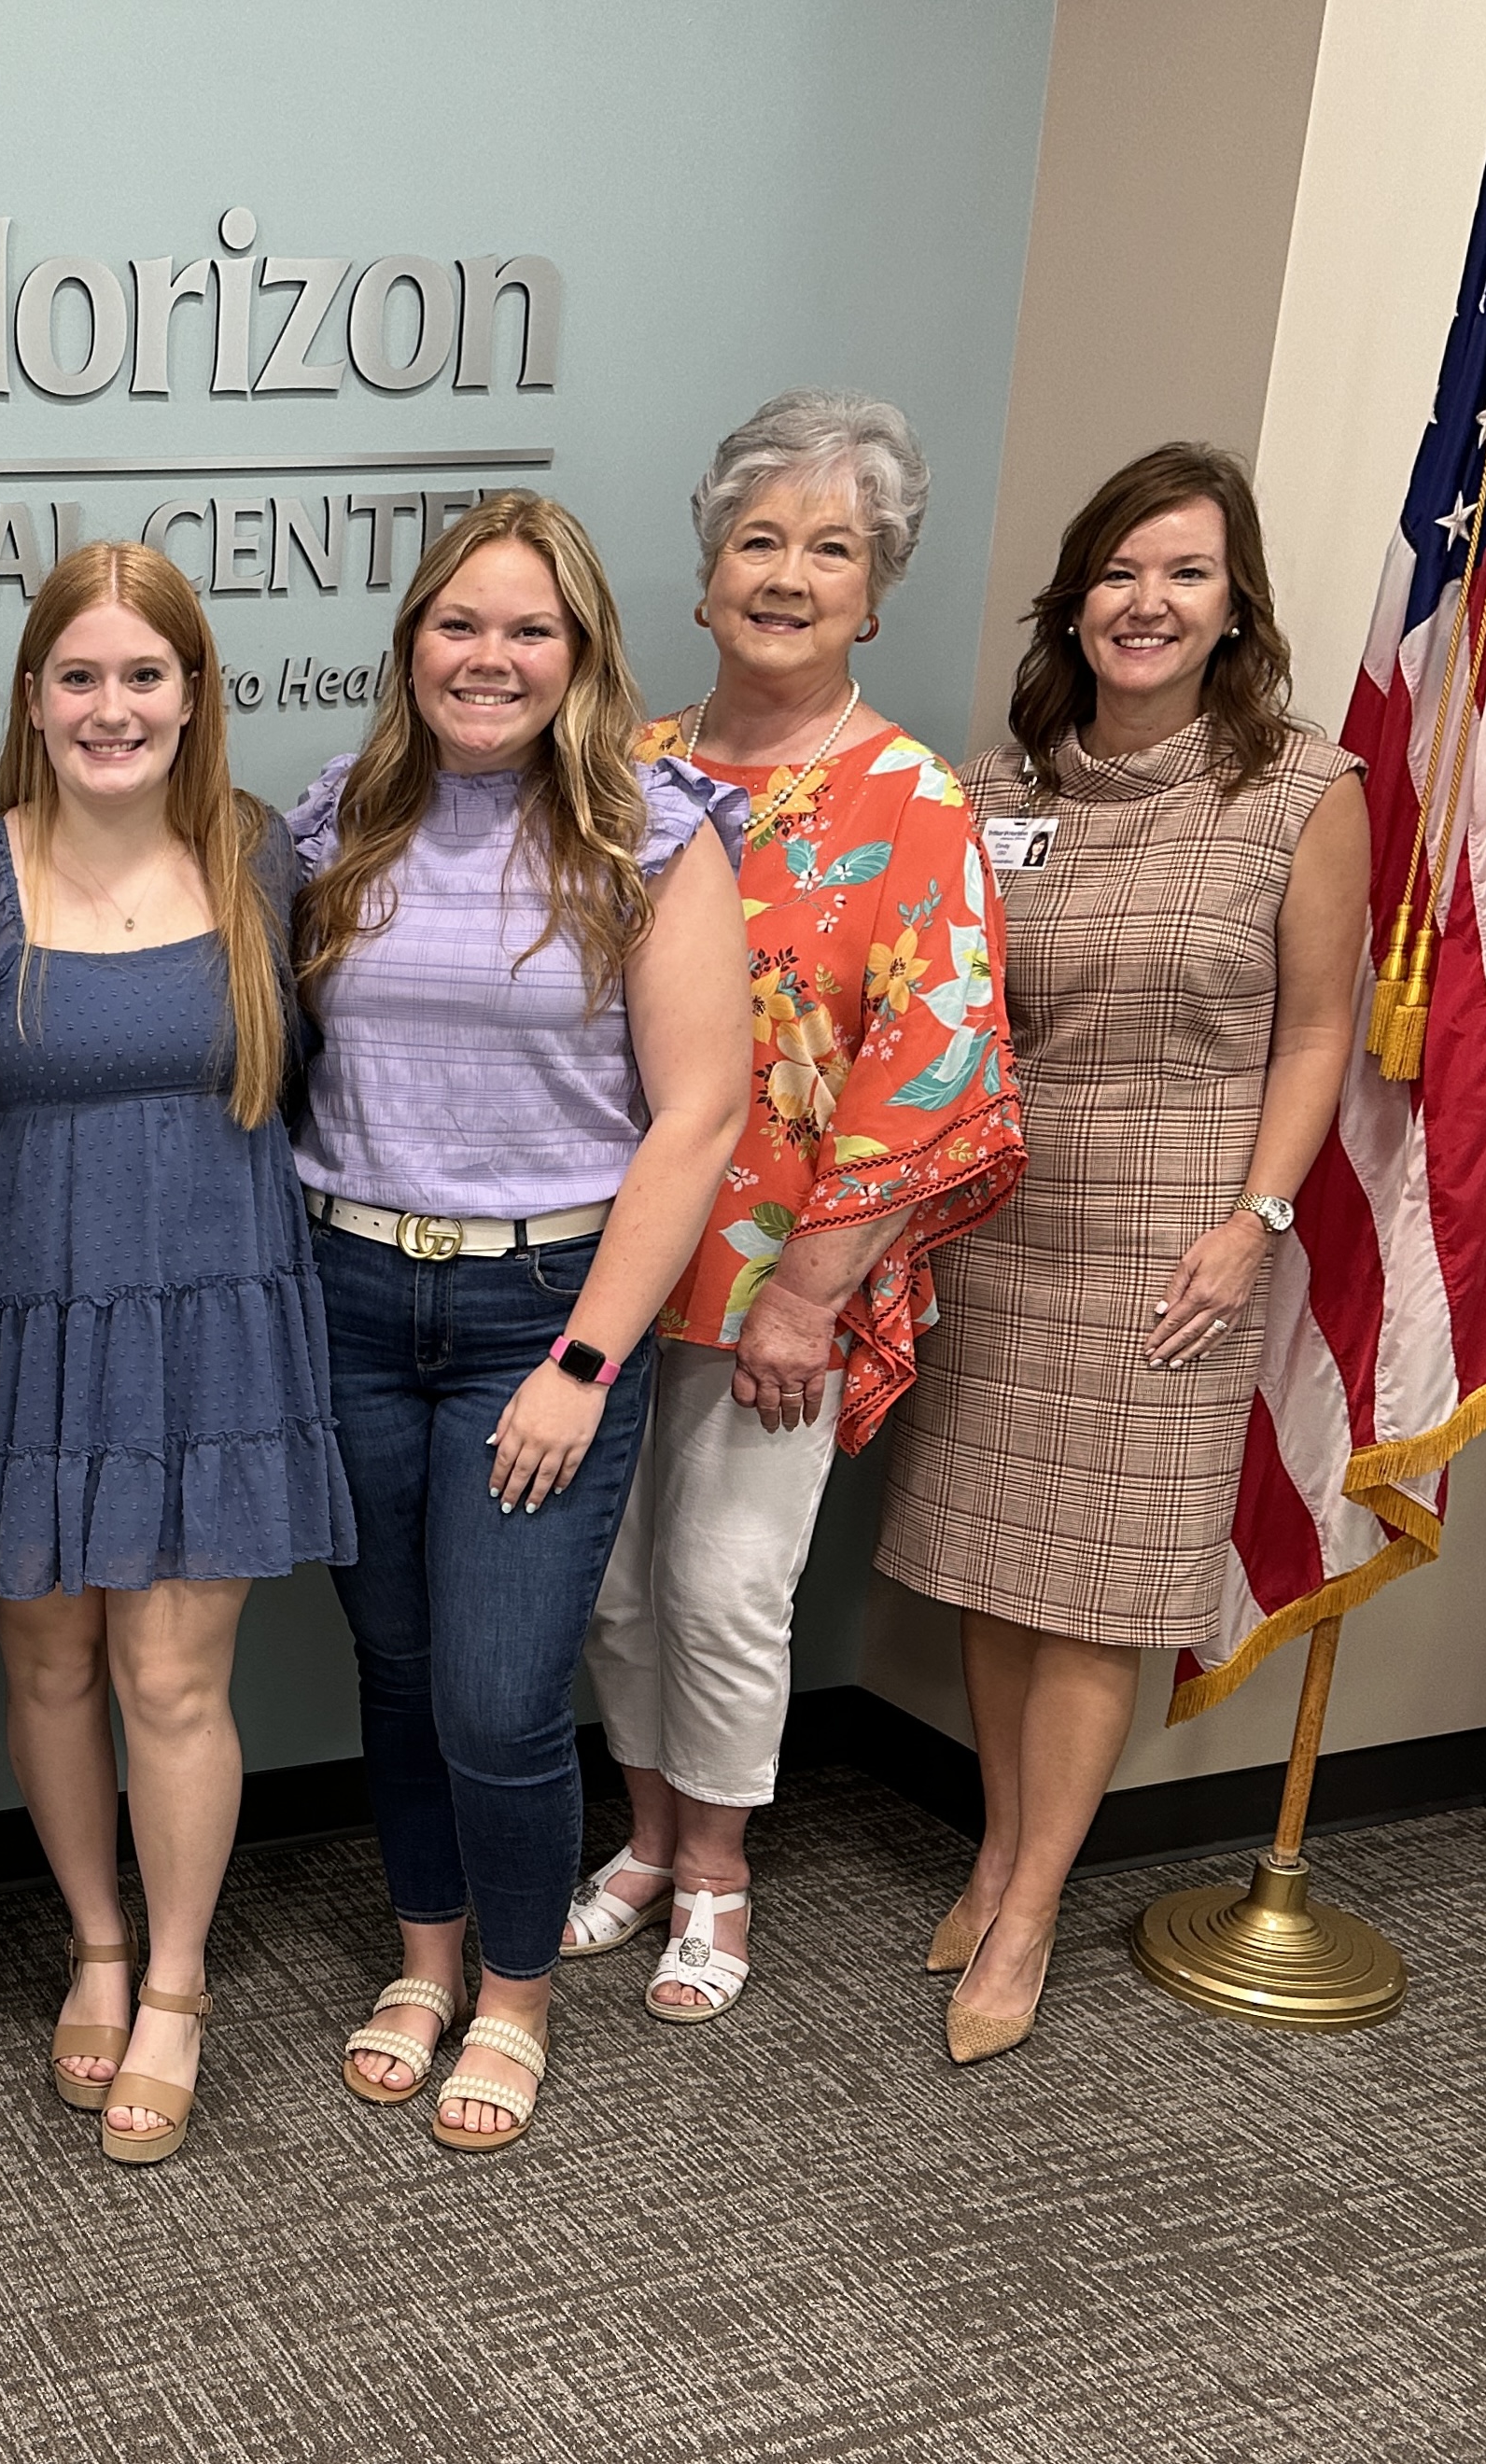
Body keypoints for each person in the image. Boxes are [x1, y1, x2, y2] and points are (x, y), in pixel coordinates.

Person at [877, 442, 1370, 2064]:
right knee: (994, 1566)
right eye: (1120, 571)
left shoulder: (1301, 788)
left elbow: (1317, 1033)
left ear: (1236, 609)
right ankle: (1005, 1850)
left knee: (1096, 1597)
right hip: (1004, 1218)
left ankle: (1025, 1914)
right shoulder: (1001, 785)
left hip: (1181, 1241)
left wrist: (1262, 1221)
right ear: (1076, 600)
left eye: (1185, 574)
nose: (1146, 603)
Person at [296, 494, 749, 2149]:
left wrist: (583, 1361)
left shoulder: (656, 832)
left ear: (581, 655)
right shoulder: (333, 822)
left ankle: (515, 1992)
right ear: (412, 644)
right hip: (347, 1297)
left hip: (536, 1313)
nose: (488, 659)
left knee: (497, 1692)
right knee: (399, 1669)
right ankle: (423, 1965)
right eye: (458, 626)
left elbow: (697, 1118)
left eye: (528, 630)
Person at [572, 394, 1023, 2023]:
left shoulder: (915, 801)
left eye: (829, 548)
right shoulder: (620, 771)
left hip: (783, 1281)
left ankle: (716, 1871)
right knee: (609, 1588)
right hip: (605, 1260)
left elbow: (934, 1059)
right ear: (703, 578)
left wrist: (809, 1291)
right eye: (758, 540)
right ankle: (636, 1839)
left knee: (726, 1586)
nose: (787, 574)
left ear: (874, 593)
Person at [0, 542, 354, 2165]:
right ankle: (93, 1941)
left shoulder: (258, 860)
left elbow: (316, 1071)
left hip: (217, 1306)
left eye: (143, 675)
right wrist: (47, 1165)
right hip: (25, 1309)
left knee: (175, 1675)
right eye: (80, 676)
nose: (112, 706)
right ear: (36, 696)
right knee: (46, 1664)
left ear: (190, 695)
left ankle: (176, 1983)